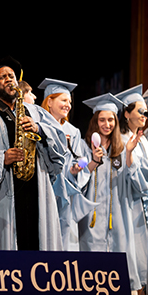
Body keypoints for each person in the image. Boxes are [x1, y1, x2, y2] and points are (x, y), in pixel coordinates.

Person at [0, 56, 66, 251]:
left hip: (37, 188)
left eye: (11, 76)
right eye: (3, 77)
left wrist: (38, 129)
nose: (9, 79)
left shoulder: (34, 112)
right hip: (3, 195)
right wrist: (1, 158)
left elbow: (60, 141)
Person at [80, 92, 143, 292]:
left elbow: (134, 182)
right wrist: (93, 161)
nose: (106, 124)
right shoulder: (84, 145)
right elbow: (78, 180)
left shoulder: (122, 147)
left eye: (110, 120)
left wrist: (130, 153)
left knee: (119, 256)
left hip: (117, 213)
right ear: (95, 121)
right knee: (92, 261)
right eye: (102, 120)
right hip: (92, 213)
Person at [118, 82, 148, 295]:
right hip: (129, 204)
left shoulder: (144, 141)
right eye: (140, 111)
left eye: (146, 112)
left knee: (147, 262)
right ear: (126, 114)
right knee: (134, 260)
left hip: (145, 205)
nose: (144, 116)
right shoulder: (120, 140)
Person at [39, 78, 91, 251]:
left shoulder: (73, 131)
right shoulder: (38, 126)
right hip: (43, 188)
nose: (68, 105)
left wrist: (76, 169)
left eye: (70, 101)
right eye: (63, 100)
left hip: (65, 193)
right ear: (50, 101)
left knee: (65, 238)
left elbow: (80, 159)